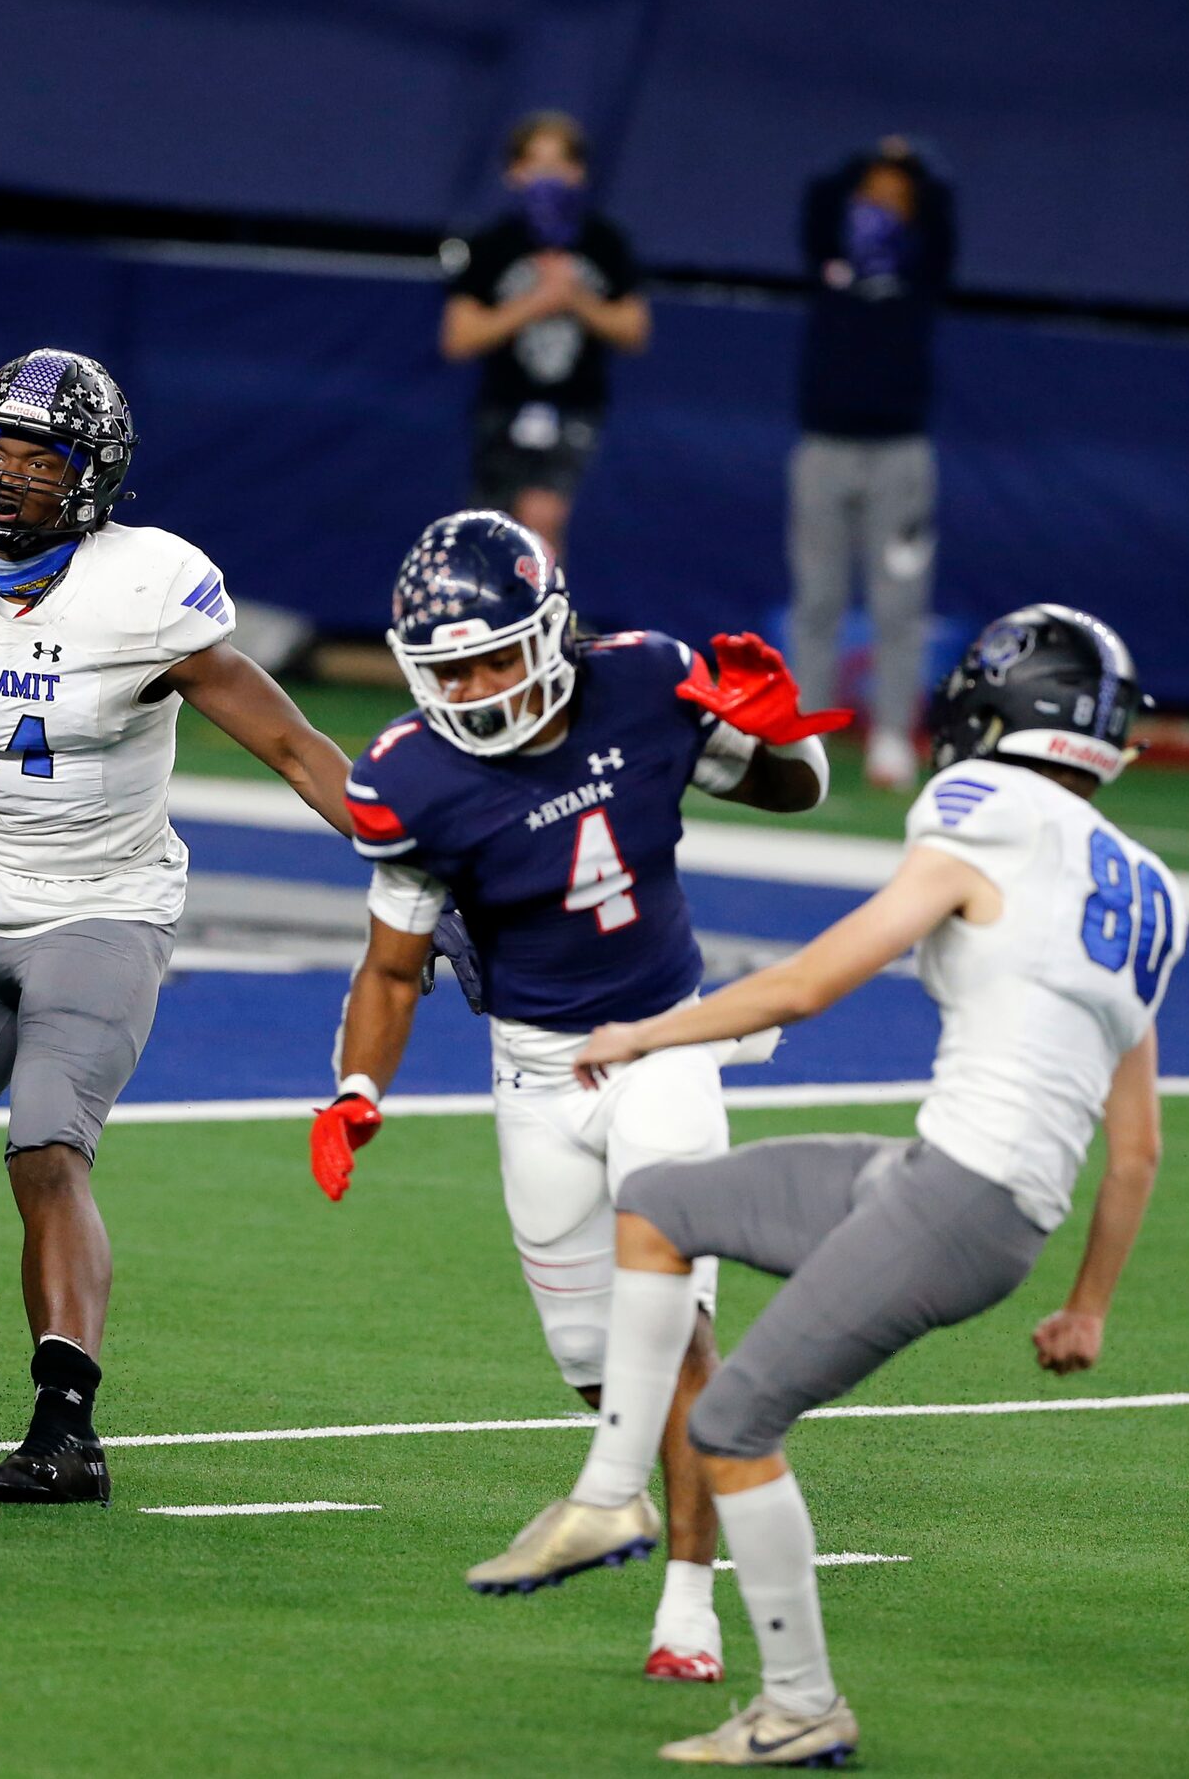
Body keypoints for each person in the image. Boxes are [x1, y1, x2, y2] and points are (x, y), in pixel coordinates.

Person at [474, 605, 1182, 1767]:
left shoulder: (979, 809)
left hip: (953, 1201)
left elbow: (810, 986)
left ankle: (798, 1703)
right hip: (960, 1191)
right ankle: (609, 1491)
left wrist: (652, 1031)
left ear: (994, 707)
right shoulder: (1144, 886)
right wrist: (1086, 1305)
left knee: (734, 1417)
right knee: (663, 1199)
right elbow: (1138, 1144)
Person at [0, 349, 355, 1503]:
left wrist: (414, 865)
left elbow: (295, 747)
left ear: (91, 478)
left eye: (41, 457)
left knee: (46, 1146)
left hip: (105, 909)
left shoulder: (145, 592)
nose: (8, 476)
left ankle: (65, 1427)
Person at [313, 511, 845, 1682]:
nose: (478, 684)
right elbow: (391, 966)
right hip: (536, 1070)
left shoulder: (645, 683)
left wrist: (781, 730)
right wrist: (356, 1086)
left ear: (551, 627)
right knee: (595, 1355)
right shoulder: (407, 777)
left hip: (664, 1038)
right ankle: (621, 1492)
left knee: (672, 1298)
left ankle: (681, 1603)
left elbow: (792, 789)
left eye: (497, 654)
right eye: (450, 667)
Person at [787, 137, 958, 791]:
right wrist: (865, 157)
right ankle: (808, 733)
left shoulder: (921, 273)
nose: (883, 205)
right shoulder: (829, 263)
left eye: (897, 198)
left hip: (900, 457)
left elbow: (943, 213)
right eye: (873, 195)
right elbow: (817, 197)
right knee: (818, 597)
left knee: (899, 603)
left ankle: (891, 735)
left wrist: (913, 163)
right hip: (823, 449)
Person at [440, 111, 650, 558]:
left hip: (575, 408)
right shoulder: (493, 245)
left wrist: (576, 299)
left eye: (558, 166)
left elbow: (634, 330)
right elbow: (458, 338)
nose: (547, 179)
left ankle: (546, 621)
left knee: (543, 516)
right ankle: (496, 623)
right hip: (503, 405)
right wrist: (532, 304)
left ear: (579, 173)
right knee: (493, 530)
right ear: (513, 173)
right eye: (535, 165)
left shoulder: (603, 242)